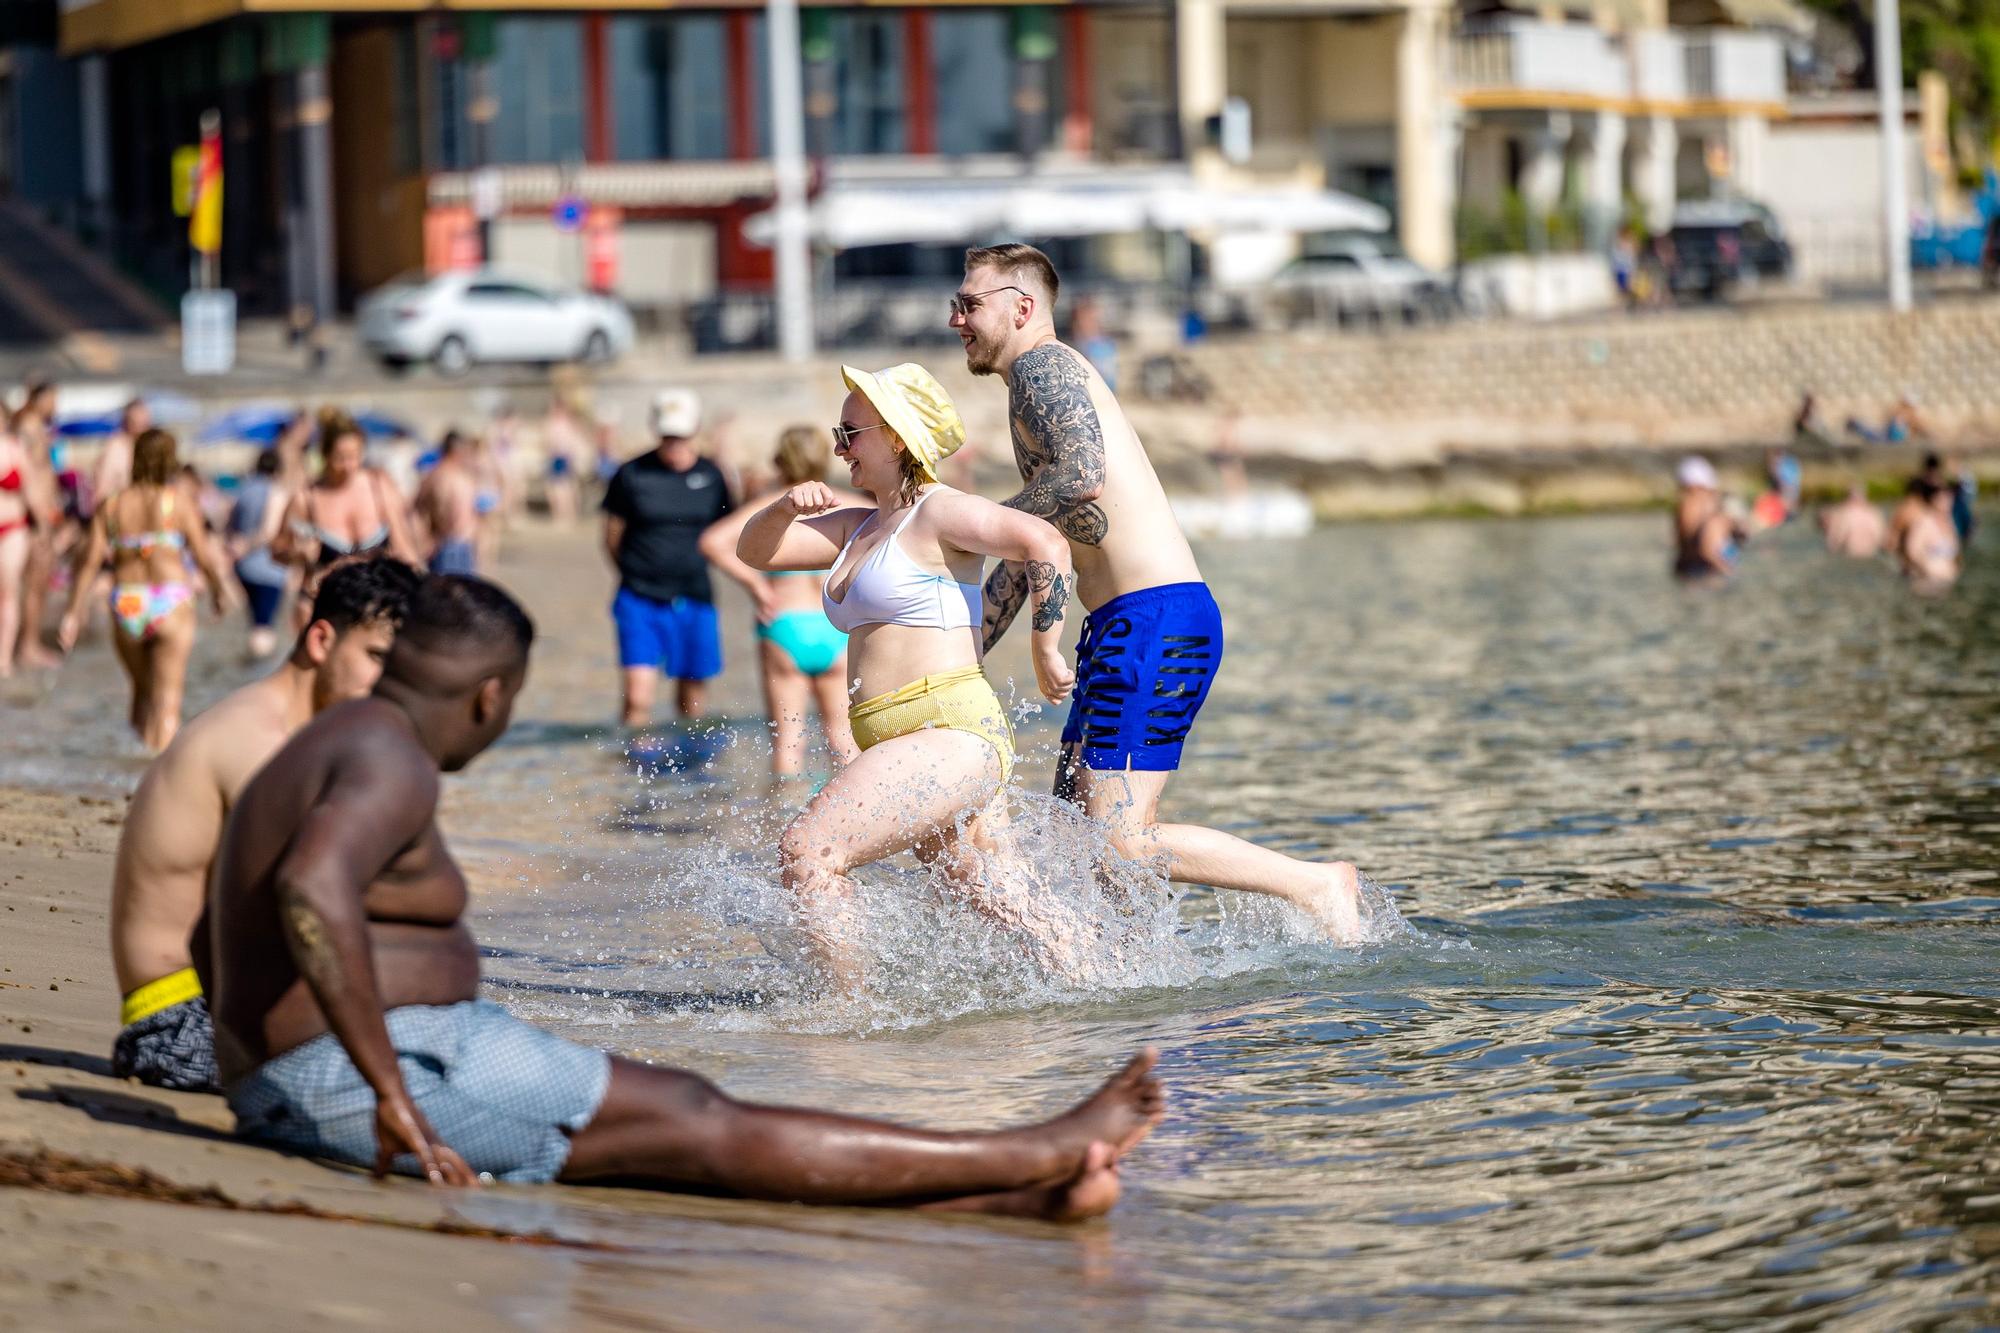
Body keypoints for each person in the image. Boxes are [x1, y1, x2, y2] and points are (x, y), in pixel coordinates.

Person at [203, 574, 1160, 1218]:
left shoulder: (330, 743)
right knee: (704, 1117)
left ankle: (1005, 1201)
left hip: (312, 1075)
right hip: (362, 1080)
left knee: (665, 1140)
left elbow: (235, 929)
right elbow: (307, 886)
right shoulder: (389, 759)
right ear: (490, 697)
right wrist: (386, 1088)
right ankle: (1037, 1149)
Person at [952, 244, 1367, 939]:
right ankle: (1130, 988)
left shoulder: (1042, 368)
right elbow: (1040, 542)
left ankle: (1316, 884)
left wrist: (983, 526)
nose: (956, 317)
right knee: (1074, 841)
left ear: (1021, 307)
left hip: (1154, 622)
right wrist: (963, 650)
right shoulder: (1033, 387)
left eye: (969, 303)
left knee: (1116, 839)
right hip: (1129, 625)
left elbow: (1081, 475)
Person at [737, 364, 1076, 985]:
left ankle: (850, 1017)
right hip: (898, 742)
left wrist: (1044, 649)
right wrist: (784, 507)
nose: (840, 449)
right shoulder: (857, 525)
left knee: (808, 851)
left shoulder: (939, 513)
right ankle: (1116, 992)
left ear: (896, 438)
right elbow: (754, 552)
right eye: (836, 436)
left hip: (946, 728)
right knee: (998, 900)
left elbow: (1046, 543)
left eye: (850, 434)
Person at [109, 558, 418, 1091]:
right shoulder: (259, 746)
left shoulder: (288, 736)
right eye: (375, 658)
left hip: (202, 1011)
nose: (387, 687)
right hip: (179, 1025)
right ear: (321, 640)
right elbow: (306, 913)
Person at [700, 426, 865, 778]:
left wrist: (756, 585)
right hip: (835, 627)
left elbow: (712, 541)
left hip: (785, 625)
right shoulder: (852, 505)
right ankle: (850, 825)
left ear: (779, 459)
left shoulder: (775, 509)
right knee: (843, 742)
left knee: (788, 745)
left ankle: (780, 825)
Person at [56, 429, 236, 750]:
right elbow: (203, 555)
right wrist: (219, 591)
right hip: (170, 600)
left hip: (127, 601)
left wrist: (72, 612)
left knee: (141, 692)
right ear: (171, 461)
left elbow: (88, 562)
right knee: (167, 701)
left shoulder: (111, 506)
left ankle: (131, 764)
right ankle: (153, 774)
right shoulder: (177, 502)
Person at [603, 389, 735, 726]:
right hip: (639, 595)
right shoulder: (631, 474)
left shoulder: (712, 476)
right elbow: (611, 535)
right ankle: (634, 771)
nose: (673, 443)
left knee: (692, 701)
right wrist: (636, 571)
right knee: (637, 698)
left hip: (694, 594)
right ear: (655, 430)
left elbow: (729, 532)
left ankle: (690, 773)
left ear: (695, 430)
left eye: (680, 435)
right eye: (667, 436)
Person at [273, 412, 421, 621]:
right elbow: (276, 550)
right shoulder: (306, 498)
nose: (349, 465)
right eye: (340, 458)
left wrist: (419, 587)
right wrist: (297, 554)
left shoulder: (378, 486)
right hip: (325, 606)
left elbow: (404, 546)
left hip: (377, 603)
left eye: (355, 456)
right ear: (325, 455)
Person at [12, 378, 61, 669]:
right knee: (33, 582)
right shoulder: (29, 425)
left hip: (43, 512)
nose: (56, 406)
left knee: (40, 582)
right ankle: (27, 646)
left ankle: (30, 643)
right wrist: (39, 514)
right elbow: (26, 471)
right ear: (40, 398)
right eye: (53, 399)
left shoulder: (37, 425)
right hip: (34, 515)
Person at [226, 449, 293, 658]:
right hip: (269, 568)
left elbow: (229, 527)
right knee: (264, 627)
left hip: (243, 567)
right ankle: (256, 674)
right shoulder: (276, 492)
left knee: (254, 623)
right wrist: (248, 545)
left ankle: (247, 666)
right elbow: (268, 531)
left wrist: (238, 547)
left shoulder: (243, 491)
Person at [414, 430, 481, 576]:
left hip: (444, 545)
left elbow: (416, 509)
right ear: (457, 451)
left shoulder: (433, 476)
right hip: (455, 545)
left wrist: (425, 538)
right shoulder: (461, 478)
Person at [1672, 456, 1740, 580]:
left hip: (1687, 572)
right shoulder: (1714, 518)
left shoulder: (1682, 508)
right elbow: (1707, 551)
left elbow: (1679, 549)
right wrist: (1729, 574)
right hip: (1709, 574)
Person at [1897, 478, 1961, 589]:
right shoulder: (1924, 523)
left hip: (1947, 583)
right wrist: (1928, 568)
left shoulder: (1949, 522)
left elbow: (1955, 553)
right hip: (1927, 583)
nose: (1948, 502)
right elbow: (1911, 551)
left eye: (1949, 498)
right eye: (1943, 498)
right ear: (1933, 500)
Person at [91, 397, 151, 510]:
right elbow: (101, 492)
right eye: (137, 424)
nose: (142, 429)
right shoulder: (116, 448)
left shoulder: (144, 447)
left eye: (145, 424)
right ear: (126, 423)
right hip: (119, 514)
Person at [542, 399, 586, 526]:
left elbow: (576, 442)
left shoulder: (569, 423)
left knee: (566, 489)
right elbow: (547, 443)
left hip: (565, 458)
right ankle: (561, 515)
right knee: (556, 490)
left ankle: (569, 515)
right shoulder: (551, 423)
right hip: (556, 458)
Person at [1819, 484, 1886, 558]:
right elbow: (1882, 540)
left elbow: (1834, 543)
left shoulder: (1843, 514)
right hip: (1870, 556)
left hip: (1849, 557)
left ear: (1848, 498)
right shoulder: (1875, 513)